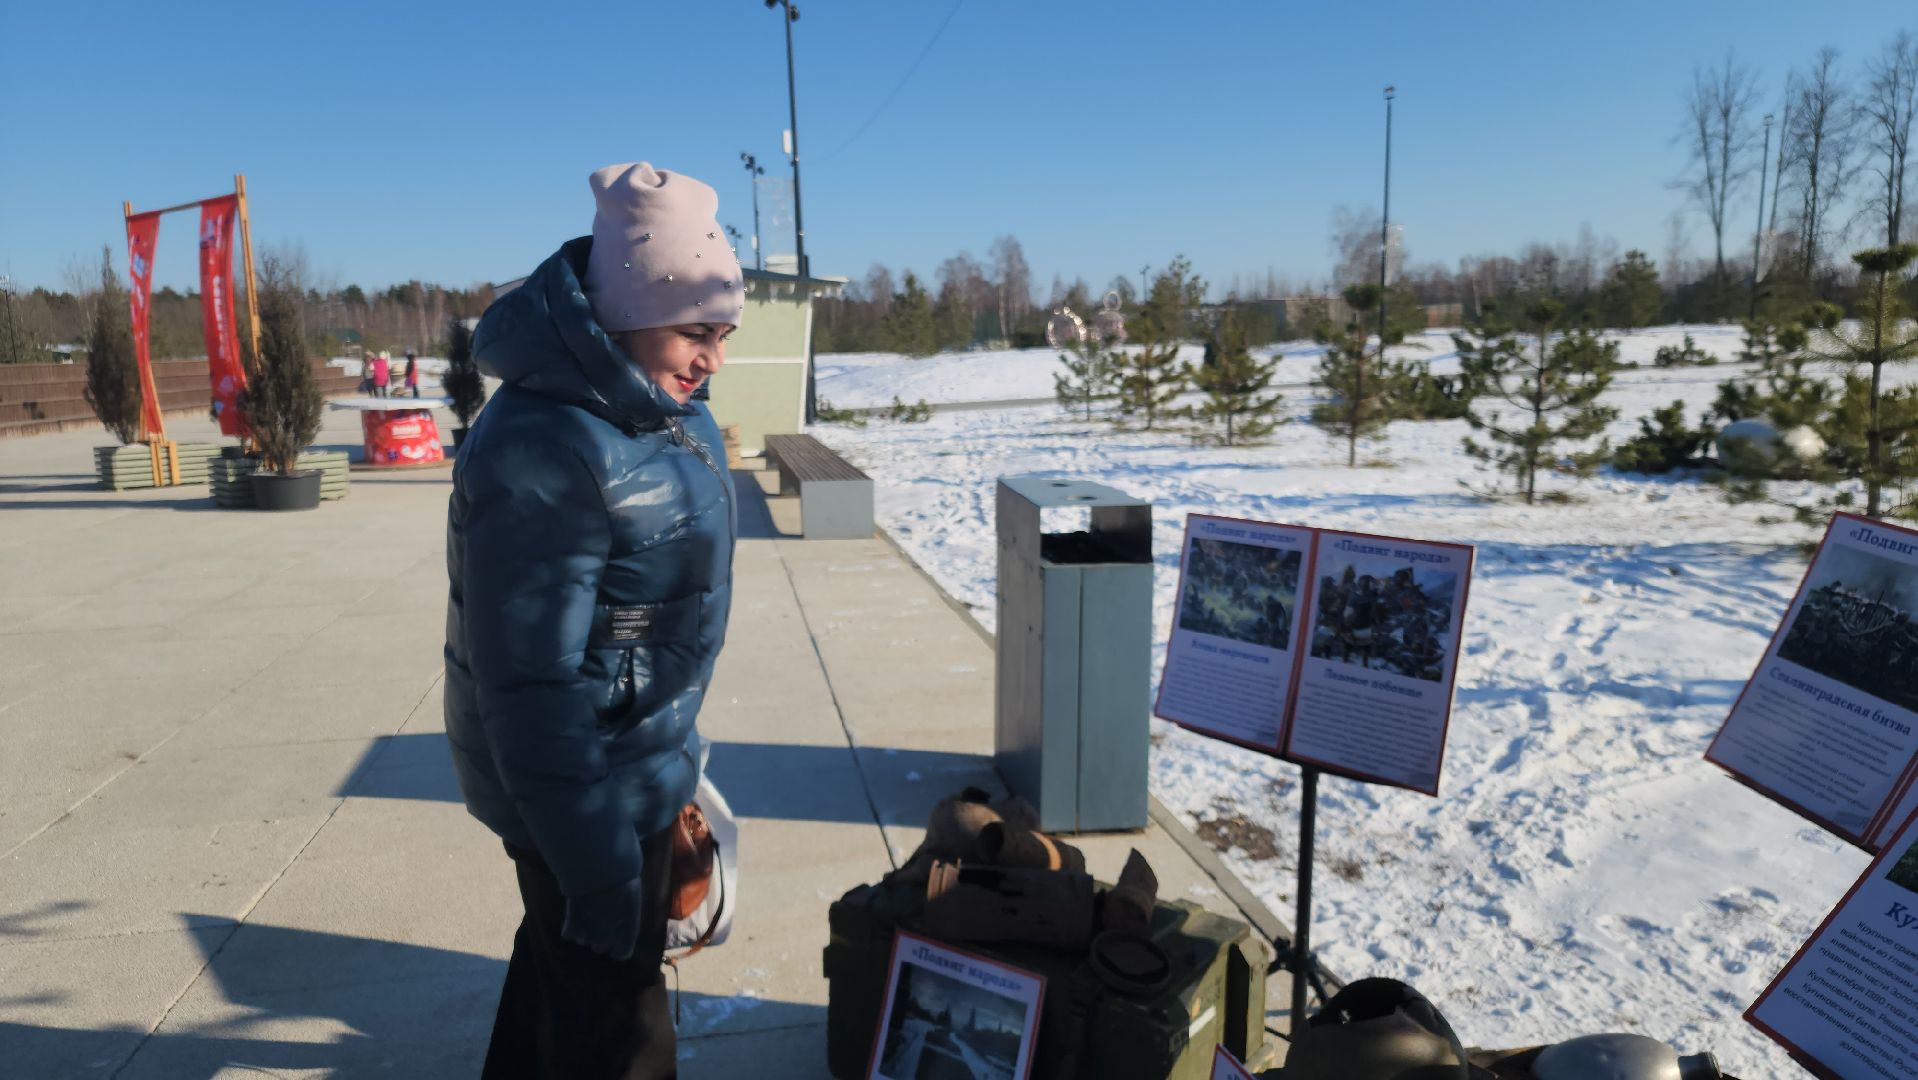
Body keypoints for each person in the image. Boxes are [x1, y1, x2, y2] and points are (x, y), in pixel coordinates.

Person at [444, 161, 741, 1080]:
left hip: (634, 762)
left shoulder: (661, 411)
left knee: (561, 974)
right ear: (622, 313)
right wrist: (600, 862)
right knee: (620, 1034)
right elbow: (530, 685)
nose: (714, 359)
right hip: (578, 789)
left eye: (725, 333)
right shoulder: (545, 446)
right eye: (697, 331)